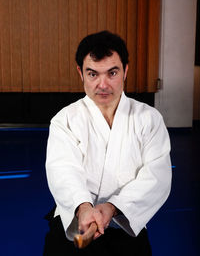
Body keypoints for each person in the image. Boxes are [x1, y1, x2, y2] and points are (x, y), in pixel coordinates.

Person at [44, 31, 172, 256]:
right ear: (80, 73)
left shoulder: (149, 119)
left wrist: (111, 208)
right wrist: (84, 207)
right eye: (92, 74)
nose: (102, 84)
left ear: (125, 71)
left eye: (112, 73)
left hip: (126, 220)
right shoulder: (65, 120)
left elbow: (156, 176)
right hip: (77, 220)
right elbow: (63, 170)